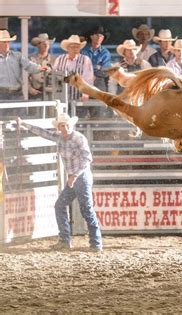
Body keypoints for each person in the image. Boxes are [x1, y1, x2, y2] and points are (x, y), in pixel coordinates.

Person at [16, 113, 103, 252]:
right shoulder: (59, 138)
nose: (64, 128)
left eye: (66, 125)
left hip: (81, 177)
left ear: (70, 125)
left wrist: (74, 175)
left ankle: (96, 243)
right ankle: (65, 240)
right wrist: (24, 123)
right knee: (60, 205)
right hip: (73, 179)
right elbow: (43, 133)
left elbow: (87, 159)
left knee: (86, 209)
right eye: (61, 125)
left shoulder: (79, 138)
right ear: (59, 127)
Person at [0, 30, 48, 105]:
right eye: (4, 42)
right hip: (1, 94)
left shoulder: (17, 56)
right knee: (2, 116)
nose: (7, 44)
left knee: (21, 116)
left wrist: (39, 68)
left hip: (17, 94)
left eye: (8, 42)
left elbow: (28, 65)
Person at [81, 26, 112, 92]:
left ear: (103, 38)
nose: (99, 37)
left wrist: (91, 71)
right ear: (91, 36)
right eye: (96, 35)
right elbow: (80, 67)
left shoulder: (106, 53)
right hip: (84, 81)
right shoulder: (83, 51)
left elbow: (105, 72)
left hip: (99, 82)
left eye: (101, 36)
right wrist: (97, 67)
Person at [28, 33, 56, 100]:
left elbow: (58, 77)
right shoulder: (31, 59)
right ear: (38, 45)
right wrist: (30, 89)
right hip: (35, 94)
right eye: (43, 43)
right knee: (34, 110)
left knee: (51, 110)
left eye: (47, 43)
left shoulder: (54, 60)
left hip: (51, 95)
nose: (46, 45)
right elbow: (24, 77)